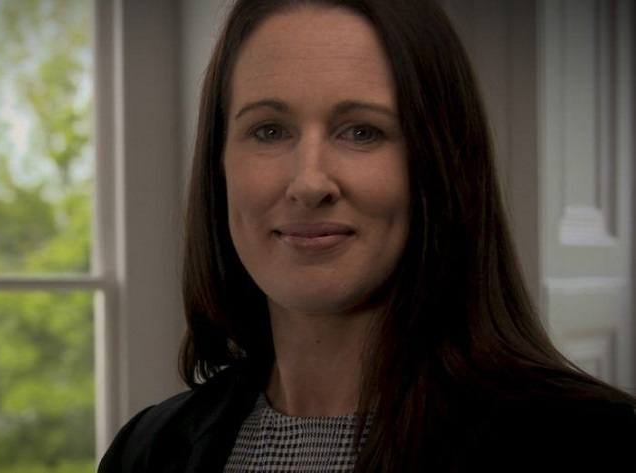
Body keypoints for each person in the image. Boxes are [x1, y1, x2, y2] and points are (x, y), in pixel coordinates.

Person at [98, 0, 636, 471]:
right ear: (219, 165)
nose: (308, 182)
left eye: (362, 131)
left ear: (440, 163)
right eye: (269, 130)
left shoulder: (594, 444)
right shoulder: (147, 450)